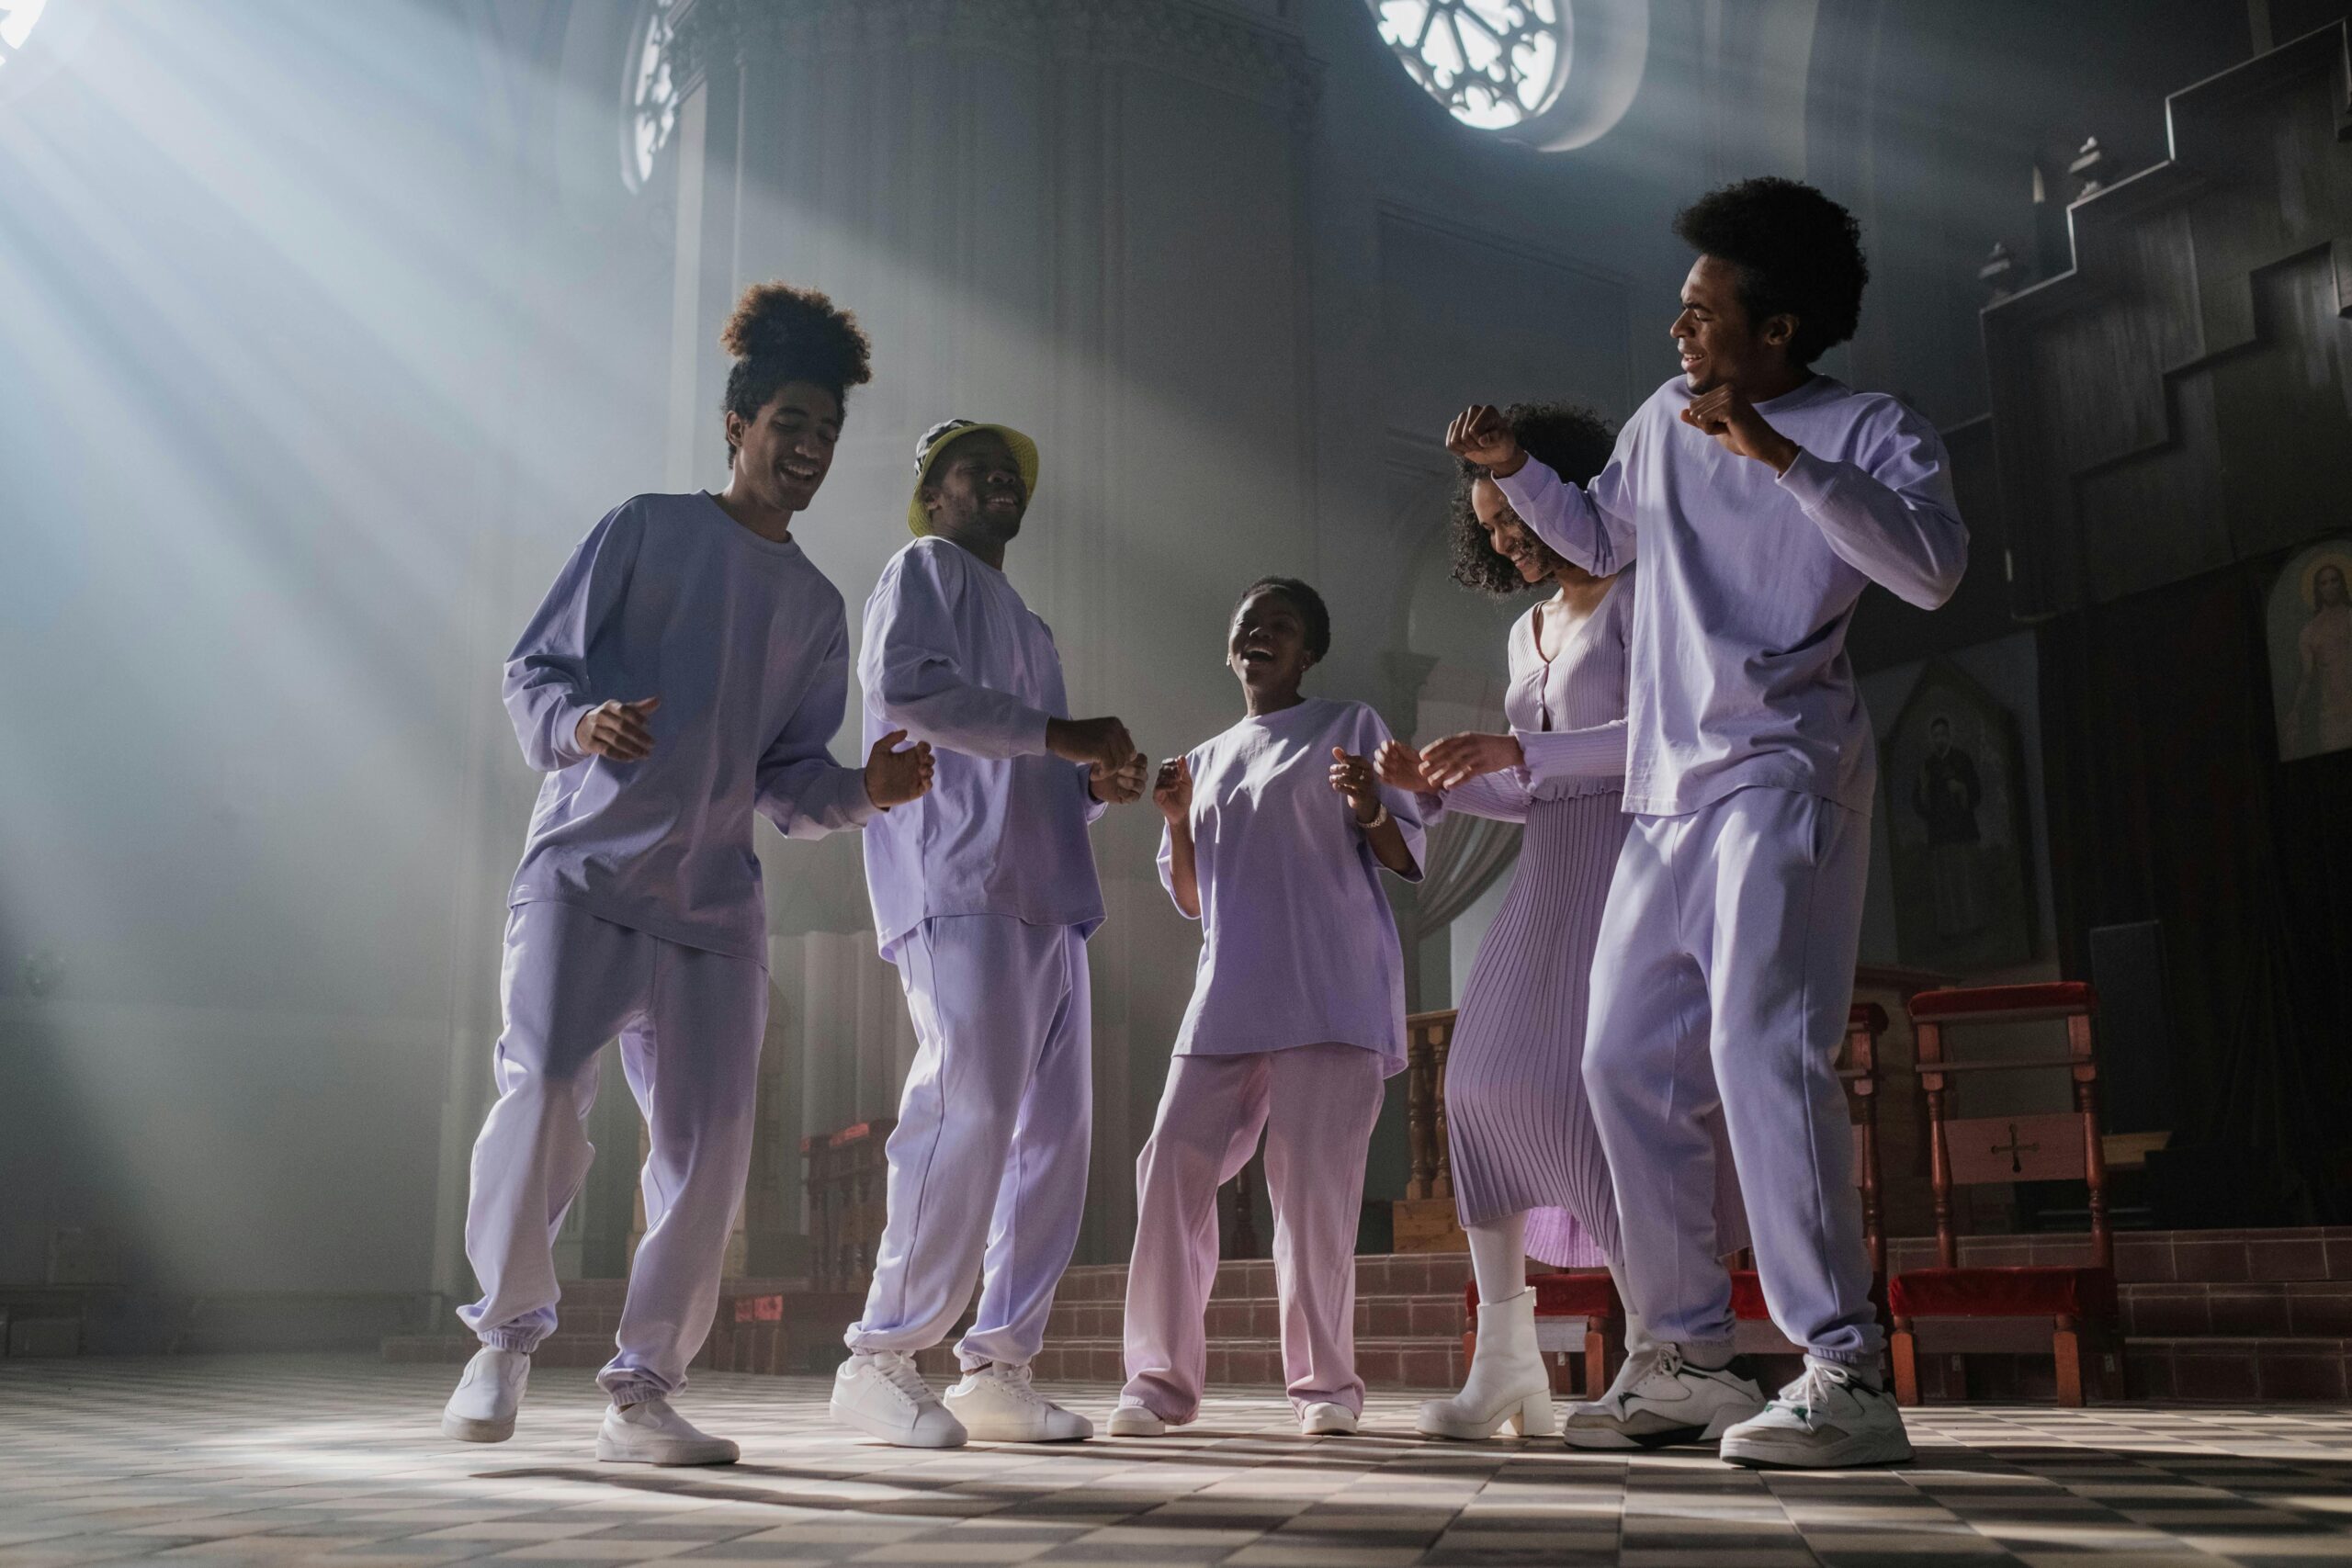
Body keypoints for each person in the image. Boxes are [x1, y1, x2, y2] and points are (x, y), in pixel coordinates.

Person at [1445, 176, 1966, 1468]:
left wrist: (1780, 456)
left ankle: (1845, 1369)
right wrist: (1517, 473)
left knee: (1763, 1050)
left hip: (1780, 770)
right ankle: (1684, 1357)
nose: (1678, 330)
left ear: (1775, 329)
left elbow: (1930, 568)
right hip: (1663, 791)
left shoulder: (1869, 428)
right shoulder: (1660, 420)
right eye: (1679, 310)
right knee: (1621, 1061)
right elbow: (1602, 536)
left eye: (1701, 310)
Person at [442, 283, 933, 1465]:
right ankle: (503, 1338)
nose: (809, 448)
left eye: (826, 433)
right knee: (543, 1090)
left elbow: (788, 781)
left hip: (714, 913)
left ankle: (643, 1392)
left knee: (709, 1154)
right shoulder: (644, 529)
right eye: (789, 423)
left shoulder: (815, 607)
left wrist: (866, 789)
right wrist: (581, 726)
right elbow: (533, 671)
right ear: (736, 425)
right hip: (585, 876)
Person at [1378, 403, 1747, 1442]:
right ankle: (1505, 1362)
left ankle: (1663, 1350)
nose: (1506, 538)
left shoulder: (1643, 594)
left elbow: (1663, 738)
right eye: (1491, 527)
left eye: (1515, 515)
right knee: (1475, 1089)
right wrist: (1445, 782)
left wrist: (1515, 754)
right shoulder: (1524, 629)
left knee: (1599, 1102)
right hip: (1548, 871)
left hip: (1636, 859)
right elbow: (1536, 785)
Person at [831, 418, 1146, 1449]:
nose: (1001, 480)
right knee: (964, 1105)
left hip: (1047, 892)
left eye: (1012, 471)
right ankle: (880, 1354)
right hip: (958, 879)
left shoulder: (1031, 625)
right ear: (935, 494)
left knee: (1053, 1135)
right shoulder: (923, 568)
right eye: (977, 469)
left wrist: (1091, 784)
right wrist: (1063, 736)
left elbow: (1029, 773)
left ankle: (998, 1364)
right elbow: (908, 695)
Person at [1112, 578, 1424, 1439]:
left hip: (1330, 991)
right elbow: (1193, 899)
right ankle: (1157, 1381)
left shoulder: (1349, 724)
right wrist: (1175, 820)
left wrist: (1367, 802)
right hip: (1227, 995)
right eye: (1249, 624)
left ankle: (1325, 1389)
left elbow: (1403, 853)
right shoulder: (1203, 759)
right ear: (1230, 647)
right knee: (1168, 1166)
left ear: (1308, 651)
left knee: (1314, 1195)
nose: (1261, 634)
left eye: (1281, 625)